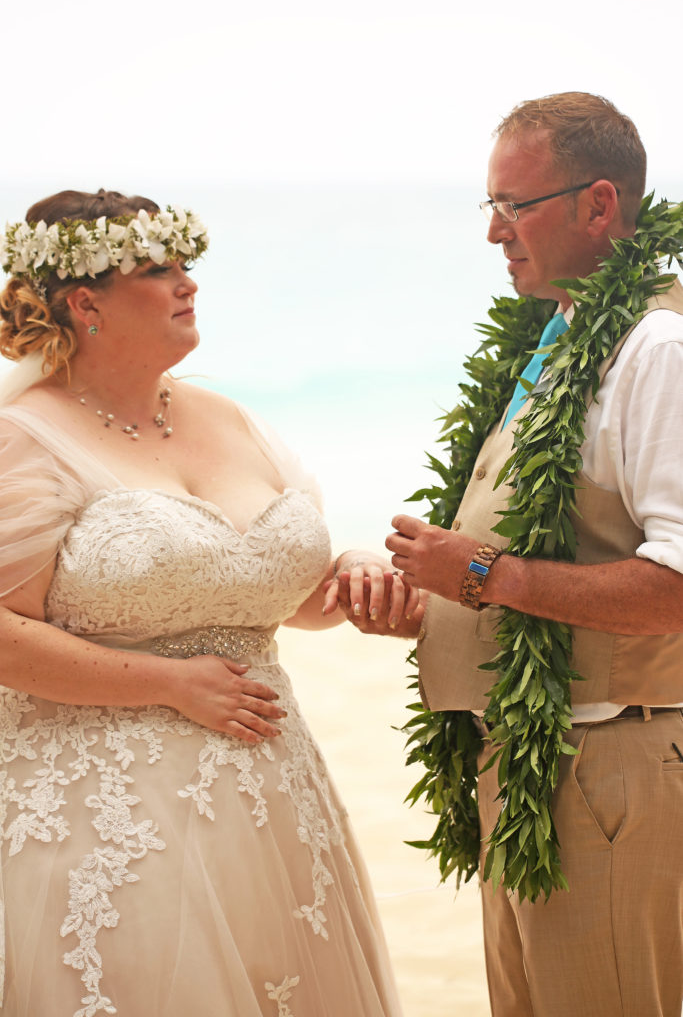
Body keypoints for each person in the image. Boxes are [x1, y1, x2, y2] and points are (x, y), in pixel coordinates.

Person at [0, 189, 419, 1017]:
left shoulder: (228, 416)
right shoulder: (26, 438)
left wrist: (353, 572)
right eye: (158, 270)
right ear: (86, 303)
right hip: (110, 820)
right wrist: (168, 684)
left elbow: (279, 592)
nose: (188, 284)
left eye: (187, 265)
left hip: (272, 805)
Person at [337, 93, 683, 1016]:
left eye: (515, 205)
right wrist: (432, 605)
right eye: (488, 206)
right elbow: (554, 546)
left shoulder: (659, 347)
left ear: (598, 205)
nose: (494, 232)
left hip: (608, 758)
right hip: (529, 759)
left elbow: (676, 588)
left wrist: (484, 576)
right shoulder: (562, 339)